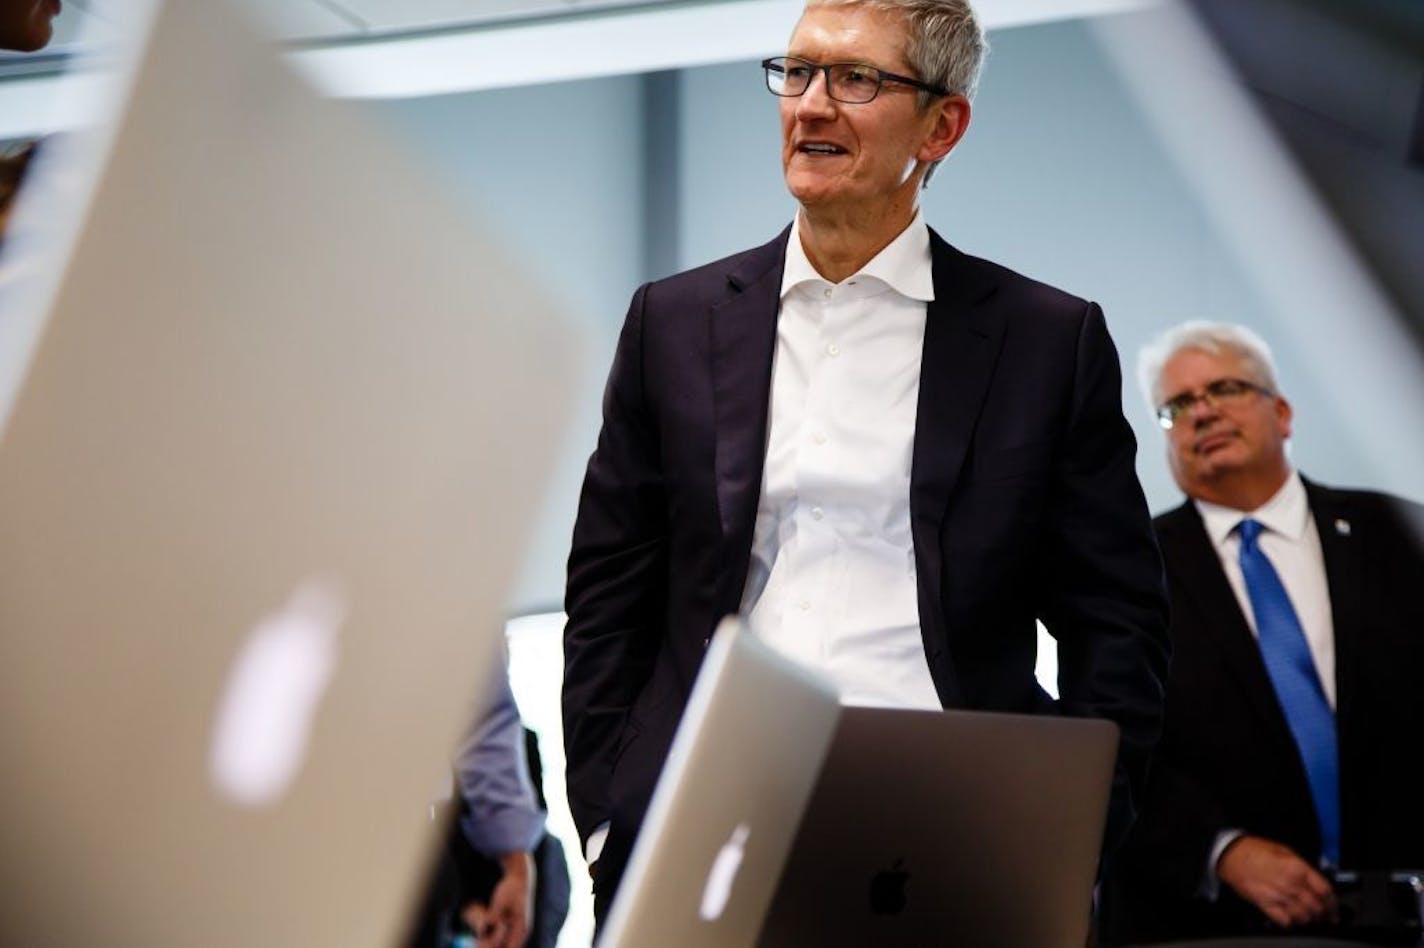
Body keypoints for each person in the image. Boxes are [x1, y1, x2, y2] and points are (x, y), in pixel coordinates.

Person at [562, 0, 1170, 924]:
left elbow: (1118, 619)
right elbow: (609, 592)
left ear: (943, 125)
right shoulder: (673, 323)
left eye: (856, 79)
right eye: (797, 71)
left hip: (954, 822)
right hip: (709, 812)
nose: (810, 105)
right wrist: (609, 815)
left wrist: (1075, 832)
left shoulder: (1046, 340)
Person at [1100, 321, 1424, 943]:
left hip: (1399, 915)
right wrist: (1219, 850)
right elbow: (1111, 743)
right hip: (1212, 924)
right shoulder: (1128, 563)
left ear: (1282, 411)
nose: (1203, 412)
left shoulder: (1398, 532)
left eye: (1224, 388)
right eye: (1177, 406)